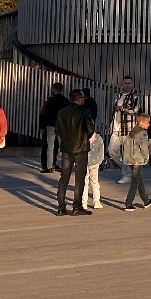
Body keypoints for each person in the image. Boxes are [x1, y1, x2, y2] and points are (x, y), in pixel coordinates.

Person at [55, 88, 93, 216]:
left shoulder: (61, 112)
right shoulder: (84, 111)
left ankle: (61, 206)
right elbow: (89, 129)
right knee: (79, 179)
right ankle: (77, 207)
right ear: (79, 99)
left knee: (64, 178)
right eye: (82, 98)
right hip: (81, 148)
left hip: (66, 148)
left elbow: (57, 130)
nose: (84, 100)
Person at [121, 111, 151, 210]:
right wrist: (146, 158)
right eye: (147, 123)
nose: (149, 124)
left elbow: (126, 145)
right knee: (135, 182)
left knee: (139, 179)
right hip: (137, 160)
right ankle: (128, 203)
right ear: (141, 123)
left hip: (130, 159)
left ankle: (146, 200)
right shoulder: (142, 133)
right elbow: (144, 148)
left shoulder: (132, 132)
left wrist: (127, 158)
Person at [110, 76, 141, 182]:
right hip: (116, 126)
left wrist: (122, 108)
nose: (127, 85)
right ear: (122, 84)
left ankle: (127, 174)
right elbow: (114, 108)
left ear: (132, 85)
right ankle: (128, 168)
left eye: (129, 83)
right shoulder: (119, 95)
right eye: (125, 83)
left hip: (127, 128)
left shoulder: (134, 96)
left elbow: (135, 110)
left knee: (125, 152)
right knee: (112, 151)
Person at [38, 83, 69, 174]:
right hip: (62, 126)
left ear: (53, 89)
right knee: (62, 147)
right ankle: (64, 165)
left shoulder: (50, 101)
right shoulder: (65, 101)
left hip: (51, 125)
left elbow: (43, 115)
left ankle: (49, 166)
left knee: (50, 146)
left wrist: (42, 126)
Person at [85, 128, 106, 210]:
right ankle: (97, 202)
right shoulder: (98, 137)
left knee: (84, 183)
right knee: (95, 182)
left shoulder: (82, 136)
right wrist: (100, 160)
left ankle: (84, 203)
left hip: (84, 162)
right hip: (95, 162)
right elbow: (101, 151)